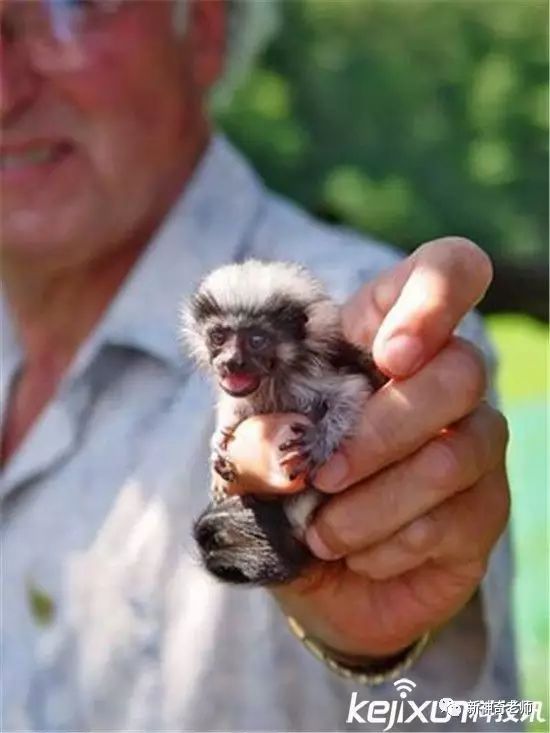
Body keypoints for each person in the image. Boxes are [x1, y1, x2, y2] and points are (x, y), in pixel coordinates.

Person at [1, 1, 516, 730]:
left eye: (67, 8)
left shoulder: (375, 335)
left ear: (204, 26)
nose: (4, 88)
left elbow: (435, 703)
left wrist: (369, 638)